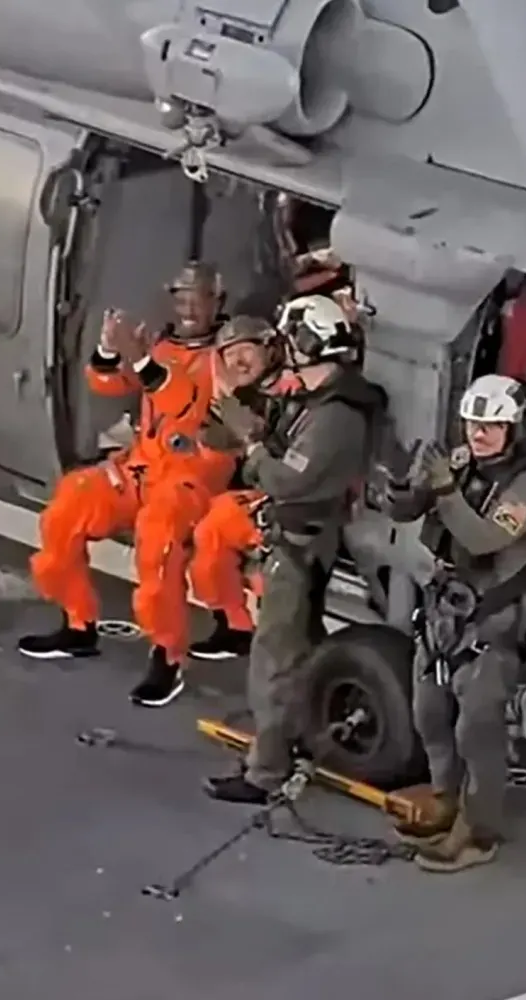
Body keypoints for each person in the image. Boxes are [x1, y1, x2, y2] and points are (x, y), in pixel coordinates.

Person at [18, 262, 245, 707]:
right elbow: (107, 382)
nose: (188, 308)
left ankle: (167, 656)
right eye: (181, 297)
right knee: (69, 504)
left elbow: (182, 401)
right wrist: (108, 349)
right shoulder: (161, 344)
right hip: (143, 468)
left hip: (193, 478)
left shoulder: (228, 356)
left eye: (198, 298)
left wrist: (141, 359)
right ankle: (78, 625)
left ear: (217, 301)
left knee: (158, 540)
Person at [201, 305, 386, 805]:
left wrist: (253, 445)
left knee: (274, 659)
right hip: (299, 540)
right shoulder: (318, 402)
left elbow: (288, 480)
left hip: (301, 543)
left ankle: (266, 772)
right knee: (297, 649)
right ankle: (298, 738)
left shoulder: (335, 416)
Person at [386, 373, 526, 872]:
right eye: (471, 423)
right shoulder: (462, 462)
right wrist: (402, 485)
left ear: (514, 429)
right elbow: (410, 510)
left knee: (477, 732)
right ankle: (445, 798)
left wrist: (445, 488)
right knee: (428, 712)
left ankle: (478, 831)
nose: (478, 434)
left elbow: (483, 539)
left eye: (491, 426)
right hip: (444, 607)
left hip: (488, 621)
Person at [188, 294, 369, 660]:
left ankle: (286, 641)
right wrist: (230, 411)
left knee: (279, 586)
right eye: (229, 356)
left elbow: (341, 383)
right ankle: (235, 626)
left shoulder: (308, 385)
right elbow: (213, 437)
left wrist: (253, 437)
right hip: (273, 492)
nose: (238, 362)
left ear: (271, 348)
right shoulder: (247, 397)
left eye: (245, 351)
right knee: (210, 536)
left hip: (306, 503)